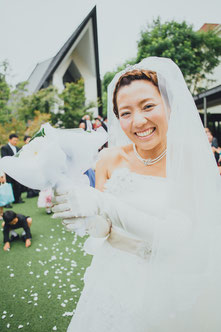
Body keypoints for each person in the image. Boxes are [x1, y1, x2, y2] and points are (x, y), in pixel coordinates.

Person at [53, 57, 221, 331]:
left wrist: (102, 202)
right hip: (113, 276)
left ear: (169, 106)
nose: (138, 121)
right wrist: (86, 218)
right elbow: (103, 229)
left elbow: (176, 236)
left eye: (148, 106)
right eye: (126, 113)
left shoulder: (189, 160)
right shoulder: (108, 158)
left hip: (170, 281)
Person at [1, 134, 24, 205]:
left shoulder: (17, 148)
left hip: (17, 169)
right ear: (9, 140)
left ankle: (18, 198)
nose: (15, 142)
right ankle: (10, 200)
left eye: (17, 140)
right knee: (11, 184)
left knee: (18, 184)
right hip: (9, 169)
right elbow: (5, 158)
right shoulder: (4, 148)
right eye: (14, 140)